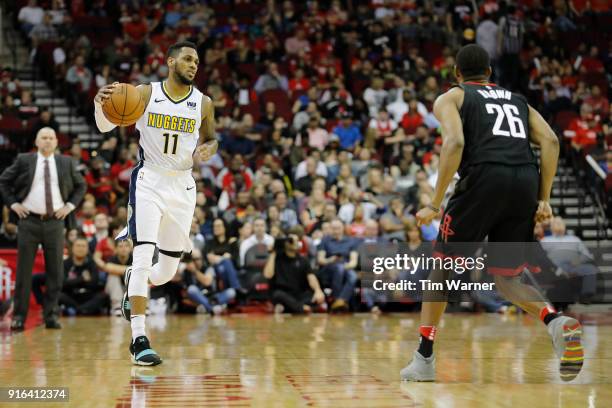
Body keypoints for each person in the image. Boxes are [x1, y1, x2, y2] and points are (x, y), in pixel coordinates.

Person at [400, 44, 583, 383]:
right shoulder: (517, 100)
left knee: (441, 267)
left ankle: (424, 358)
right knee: (506, 277)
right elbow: (552, 142)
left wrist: (435, 202)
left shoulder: (452, 97)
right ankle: (555, 322)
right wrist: (543, 198)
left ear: (457, 74)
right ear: (489, 73)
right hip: (525, 180)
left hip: (484, 176)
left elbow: (453, 143)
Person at [93, 41, 218, 366]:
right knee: (144, 252)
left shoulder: (203, 103)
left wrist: (210, 149)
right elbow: (106, 125)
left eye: (197, 61)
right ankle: (139, 340)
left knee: (164, 273)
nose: (193, 65)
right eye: (188, 59)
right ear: (170, 61)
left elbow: (211, 138)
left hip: (183, 185)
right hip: (149, 179)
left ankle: (136, 277)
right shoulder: (146, 94)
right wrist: (99, 105)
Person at [0, 127, 86, 331]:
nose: (47, 141)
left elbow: (81, 186)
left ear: (56, 142)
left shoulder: (66, 162)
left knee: (55, 271)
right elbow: (4, 181)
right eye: (43, 138)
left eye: (51, 138)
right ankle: (19, 316)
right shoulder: (24, 160)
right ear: (37, 142)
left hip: (55, 221)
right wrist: (13, 204)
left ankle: (51, 315)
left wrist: (69, 207)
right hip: (28, 220)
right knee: (23, 272)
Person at [263, 230, 325, 314]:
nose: (296, 243)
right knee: (278, 295)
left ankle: (288, 307)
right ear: (285, 243)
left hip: (299, 293)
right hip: (283, 292)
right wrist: (273, 252)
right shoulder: (276, 259)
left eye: (297, 240)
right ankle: (301, 308)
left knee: (314, 297)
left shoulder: (303, 260)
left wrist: (318, 290)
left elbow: (311, 277)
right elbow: (268, 275)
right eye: (292, 241)